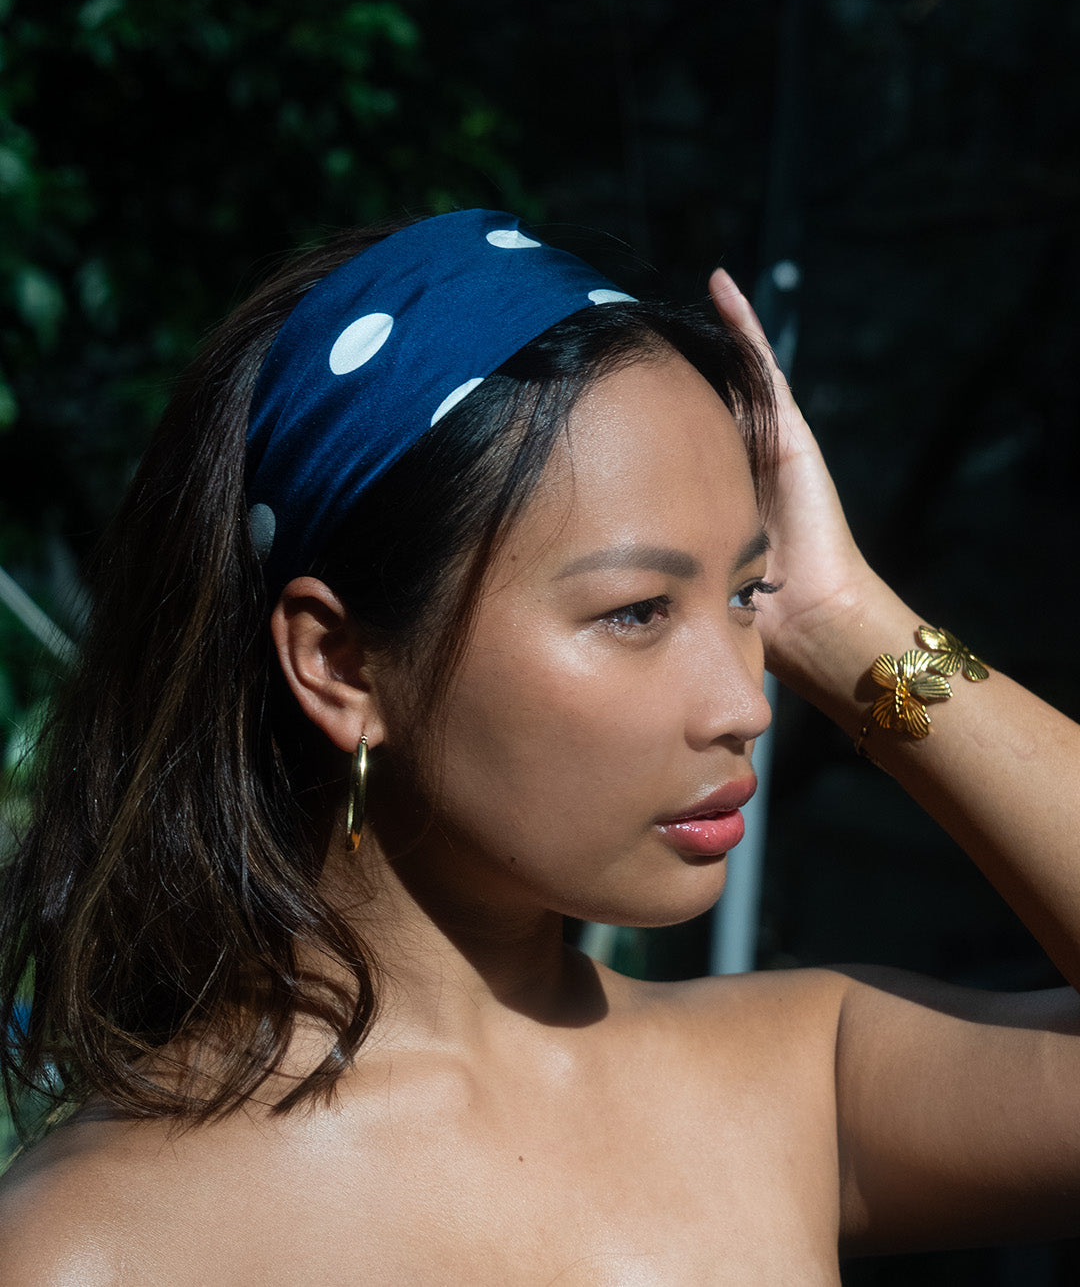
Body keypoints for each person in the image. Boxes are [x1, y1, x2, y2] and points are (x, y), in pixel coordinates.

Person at [0, 208, 1077, 1283]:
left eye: (748, 595)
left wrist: (847, 626)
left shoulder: (793, 1084)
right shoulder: (88, 1247)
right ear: (340, 663)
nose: (744, 704)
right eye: (637, 612)